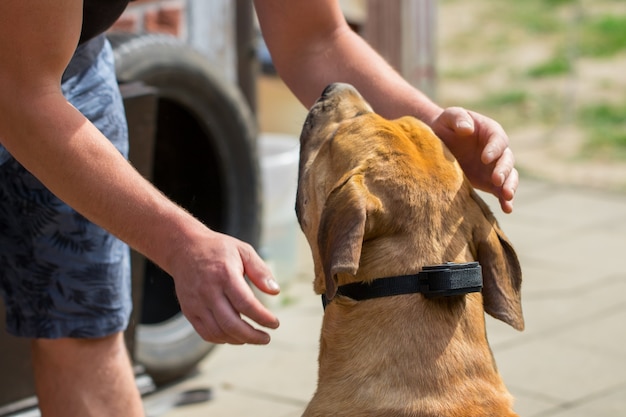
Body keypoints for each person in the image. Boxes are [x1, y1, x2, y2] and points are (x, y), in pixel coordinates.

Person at [0, 0, 518, 416]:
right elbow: (20, 97)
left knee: (86, 327)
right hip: (25, 81)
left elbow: (314, 37)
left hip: (68, 64)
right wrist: (179, 242)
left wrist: (434, 129)